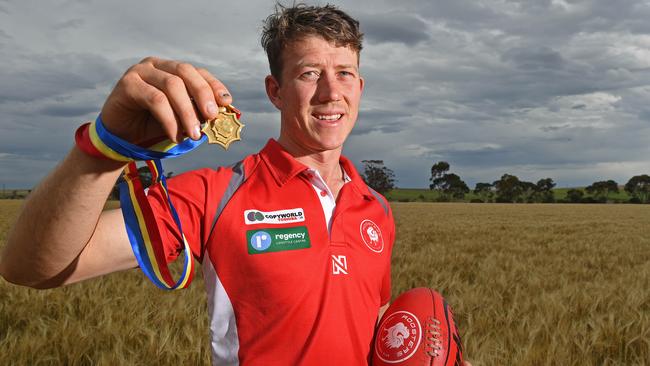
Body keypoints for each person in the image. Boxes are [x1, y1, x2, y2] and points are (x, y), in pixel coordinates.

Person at [0, 3, 471, 366]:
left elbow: (370, 324)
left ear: (360, 88)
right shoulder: (216, 194)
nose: (331, 92)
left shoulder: (376, 208)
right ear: (275, 91)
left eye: (344, 73)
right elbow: (30, 267)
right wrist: (105, 149)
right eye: (310, 73)